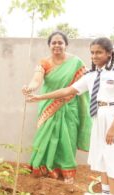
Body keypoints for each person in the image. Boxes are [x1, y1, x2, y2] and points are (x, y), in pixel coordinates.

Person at [26, 37, 114, 195]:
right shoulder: (92, 76)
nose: (94, 56)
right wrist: (39, 97)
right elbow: (67, 91)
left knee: (113, 161)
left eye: (99, 52)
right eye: (92, 52)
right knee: (103, 159)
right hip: (100, 118)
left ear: (109, 53)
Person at [22, 31, 91, 183]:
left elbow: (83, 85)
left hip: (69, 105)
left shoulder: (76, 62)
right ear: (49, 45)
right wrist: (30, 88)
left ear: (66, 45)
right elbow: (36, 80)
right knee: (46, 136)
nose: (57, 45)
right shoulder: (44, 63)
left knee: (68, 138)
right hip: (48, 105)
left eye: (60, 42)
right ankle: (43, 167)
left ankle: (67, 171)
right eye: (54, 43)